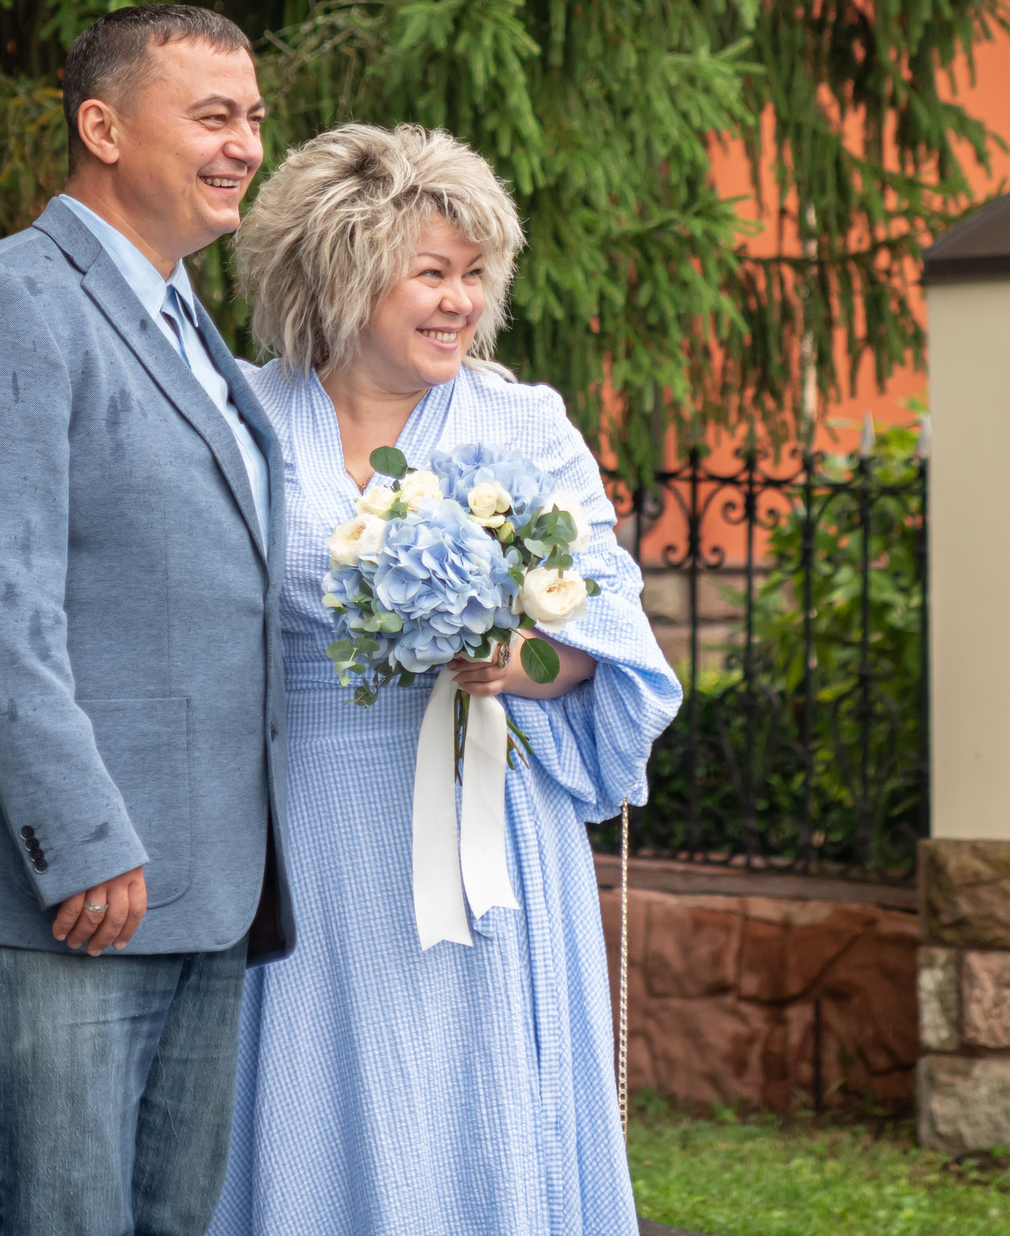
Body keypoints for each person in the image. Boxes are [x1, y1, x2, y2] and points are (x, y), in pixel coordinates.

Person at [0, 4, 295, 1236]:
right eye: (211, 115)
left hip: (204, 892)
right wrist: (84, 837)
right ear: (100, 126)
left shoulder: (188, 321)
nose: (245, 143)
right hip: (75, 892)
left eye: (252, 116)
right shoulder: (7, 303)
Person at [207, 124, 681, 1236]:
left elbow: (607, 649)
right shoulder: (238, 416)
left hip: (492, 840)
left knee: (477, 1112)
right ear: (339, 273)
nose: (460, 302)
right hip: (303, 828)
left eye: (475, 275)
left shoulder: (525, 423)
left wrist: (521, 663)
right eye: (430, 273)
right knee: (321, 1098)